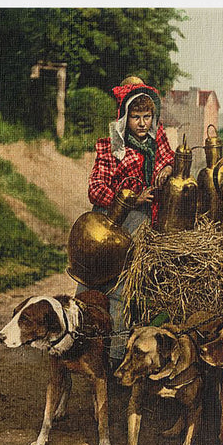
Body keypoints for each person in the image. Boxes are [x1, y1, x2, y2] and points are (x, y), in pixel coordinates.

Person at [86, 77, 174, 363]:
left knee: (122, 291)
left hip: (141, 223)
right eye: (135, 116)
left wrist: (166, 170)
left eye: (147, 116)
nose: (142, 122)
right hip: (110, 221)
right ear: (125, 116)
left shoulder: (156, 140)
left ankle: (114, 357)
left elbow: (167, 158)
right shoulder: (112, 144)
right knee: (91, 282)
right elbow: (96, 188)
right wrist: (129, 198)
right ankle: (83, 348)